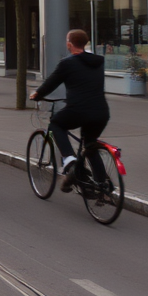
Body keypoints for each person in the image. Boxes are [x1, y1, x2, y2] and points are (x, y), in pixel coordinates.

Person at [31, 29, 109, 192]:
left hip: (79, 110)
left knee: (55, 125)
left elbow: (51, 82)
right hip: (101, 112)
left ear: (69, 44)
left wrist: (37, 94)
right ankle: (102, 185)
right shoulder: (98, 61)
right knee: (90, 144)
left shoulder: (67, 63)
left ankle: (69, 160)